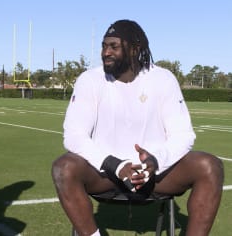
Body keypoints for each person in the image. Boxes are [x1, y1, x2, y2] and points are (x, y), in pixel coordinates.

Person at [51, 19, 224, 236]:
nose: (106, 52)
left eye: (114, 46)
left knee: (210, 166)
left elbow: (183, 135)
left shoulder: (163, 78)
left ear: (135, 49)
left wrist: (155, 161)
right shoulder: (89, 80)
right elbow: (74, 135)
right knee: (64, 167)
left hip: (155, 174)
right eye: (104, 46)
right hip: (105, 174)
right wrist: (115, 164)